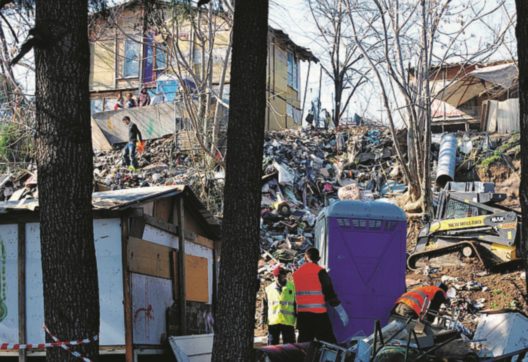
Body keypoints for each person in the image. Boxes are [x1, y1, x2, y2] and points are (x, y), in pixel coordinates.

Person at [293, 247, 349, 343]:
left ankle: (302, 358)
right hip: (319, 316)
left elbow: (294, 296)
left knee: (303, 346)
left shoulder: (296, 274)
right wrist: (341, 312)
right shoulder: (320, 272)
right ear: (318, 258)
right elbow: (330, 293)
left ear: (305, 258)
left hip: (303, 317)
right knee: (328, 344)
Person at [262, 266, 296, 345]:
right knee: (272, 347)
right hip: (273, 322)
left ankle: (289, 358)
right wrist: (263, 319)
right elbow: (265, 306)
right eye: (276, 276)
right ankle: (272, 358)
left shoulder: (293, 288)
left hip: (288, 322)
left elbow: (296, 304)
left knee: (289, 347)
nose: (277, 278)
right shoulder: (268, 289)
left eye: (280, 276)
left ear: (285, 275)